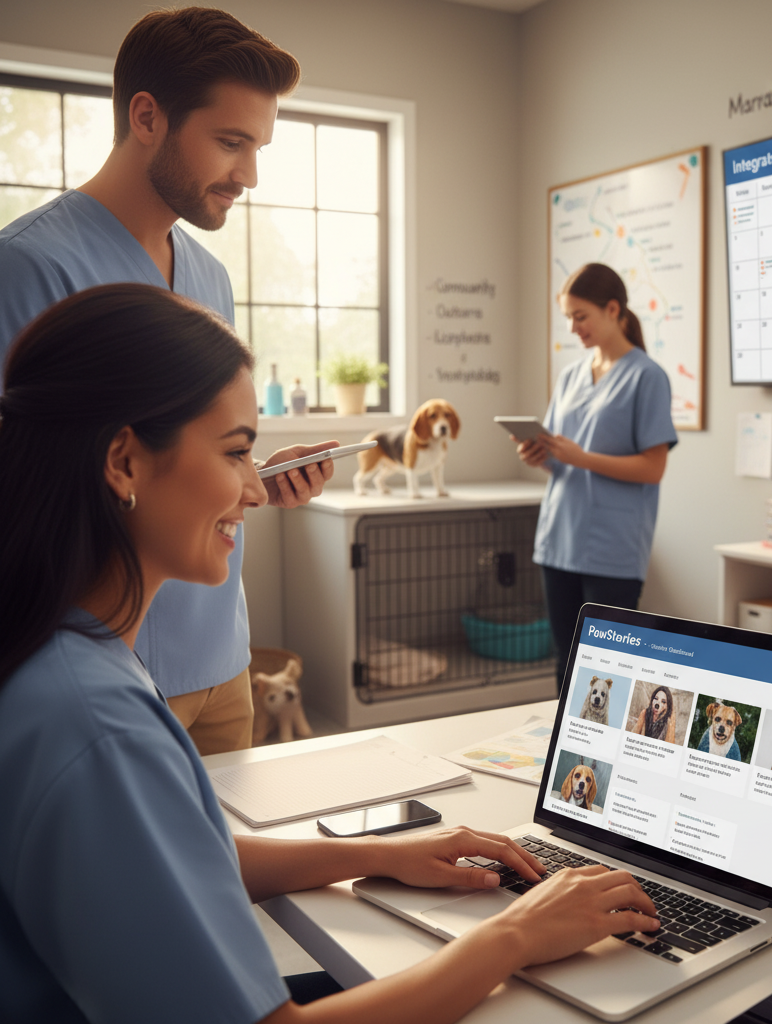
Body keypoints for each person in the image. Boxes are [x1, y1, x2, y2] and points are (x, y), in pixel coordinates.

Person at [0, 284, 660, 1023]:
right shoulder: (98, 726)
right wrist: (514, 935)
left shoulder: (60, 650)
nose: (256, 488)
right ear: (123, 462)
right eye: (237, 452)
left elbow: (167, 857)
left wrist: (378, 852)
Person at [0, 8, 340, 754]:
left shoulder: (210, 277)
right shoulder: (28, 270)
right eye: (230, 142)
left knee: (237, 871)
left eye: (257, 147)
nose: (248, 174)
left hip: (222, 659)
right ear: (146, 117)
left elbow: (181, 445)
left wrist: (249, 475)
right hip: (104, 671)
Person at [517, 264, 677, 690]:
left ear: (612, 309)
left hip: (613, 549)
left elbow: (653, 466)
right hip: (559, 541)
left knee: (610, 672)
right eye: (568, 317)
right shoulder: (571, 375)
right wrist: (540, 455)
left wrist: (582, 457)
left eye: (581, 316)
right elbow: (561, 455)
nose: (573, 327)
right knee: (565, 666)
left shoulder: (648, 377)